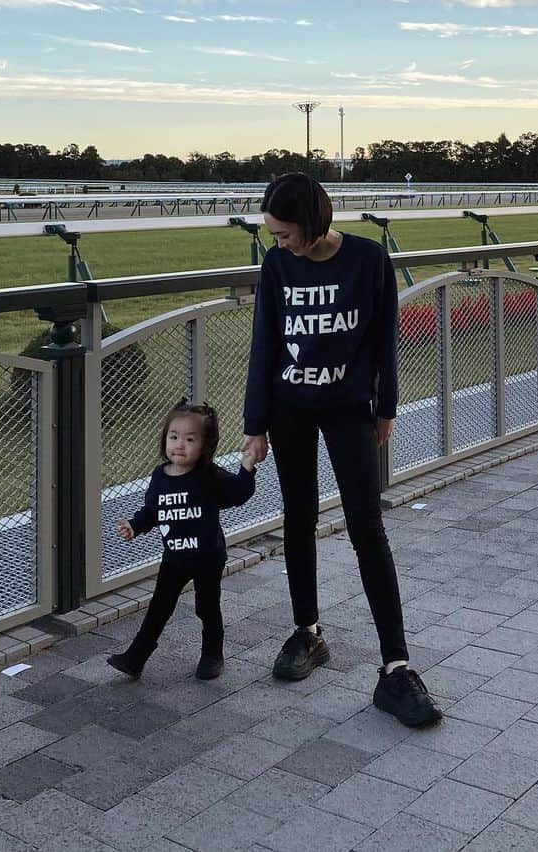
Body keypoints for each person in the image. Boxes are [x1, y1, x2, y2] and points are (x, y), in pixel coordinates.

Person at [242, 172, 441, 728]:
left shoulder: (367, 259)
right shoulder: (278, 266)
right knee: (297, 519)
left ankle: (395, 667)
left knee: (366, 528)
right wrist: (255, 424)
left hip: (350, 409)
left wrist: (386, 407)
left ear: (312, 223)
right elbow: (266, 342)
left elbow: (384, 338)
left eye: (284, 233)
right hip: (289, 412)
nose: (276, 243)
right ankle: (308, 632)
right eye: (272, 234)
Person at [108, 399, 256, 680]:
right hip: (173, 560)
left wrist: (247, 468)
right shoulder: (160, 476)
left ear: (205, 446)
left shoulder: (208, 477)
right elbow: (152, 511)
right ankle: (135, 658)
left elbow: (238, 494)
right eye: (173, 437)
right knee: (158, 609)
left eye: (190, 439)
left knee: (207, 607)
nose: (180, 444)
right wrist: (134, 526)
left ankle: (213, 655)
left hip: (207, 560)